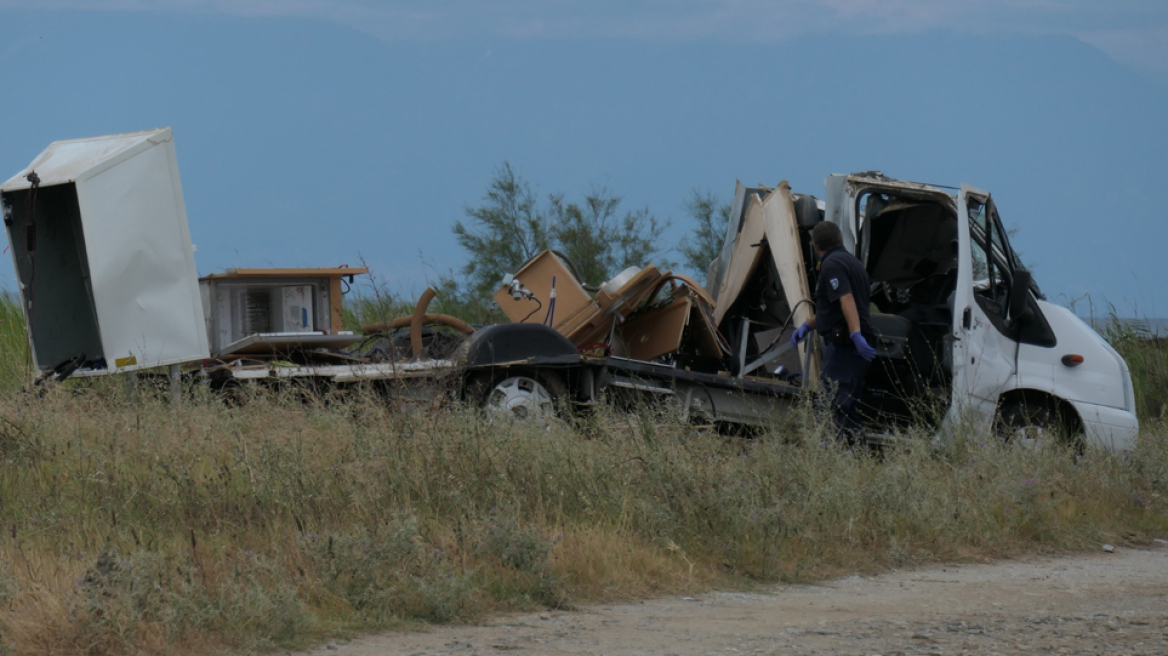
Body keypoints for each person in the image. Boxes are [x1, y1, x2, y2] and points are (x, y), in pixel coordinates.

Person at [791, 221, 877, 444]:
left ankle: (832, 454)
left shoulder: (832, 265)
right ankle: (857, 454)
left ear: (816, 246)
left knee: (830, 402)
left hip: (845, 344)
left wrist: (855, 334)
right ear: (840, 238)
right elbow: (835, 310)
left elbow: (846, 299)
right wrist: (807, 326)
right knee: (846, 406)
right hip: (854, 344)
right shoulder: (853, 263)